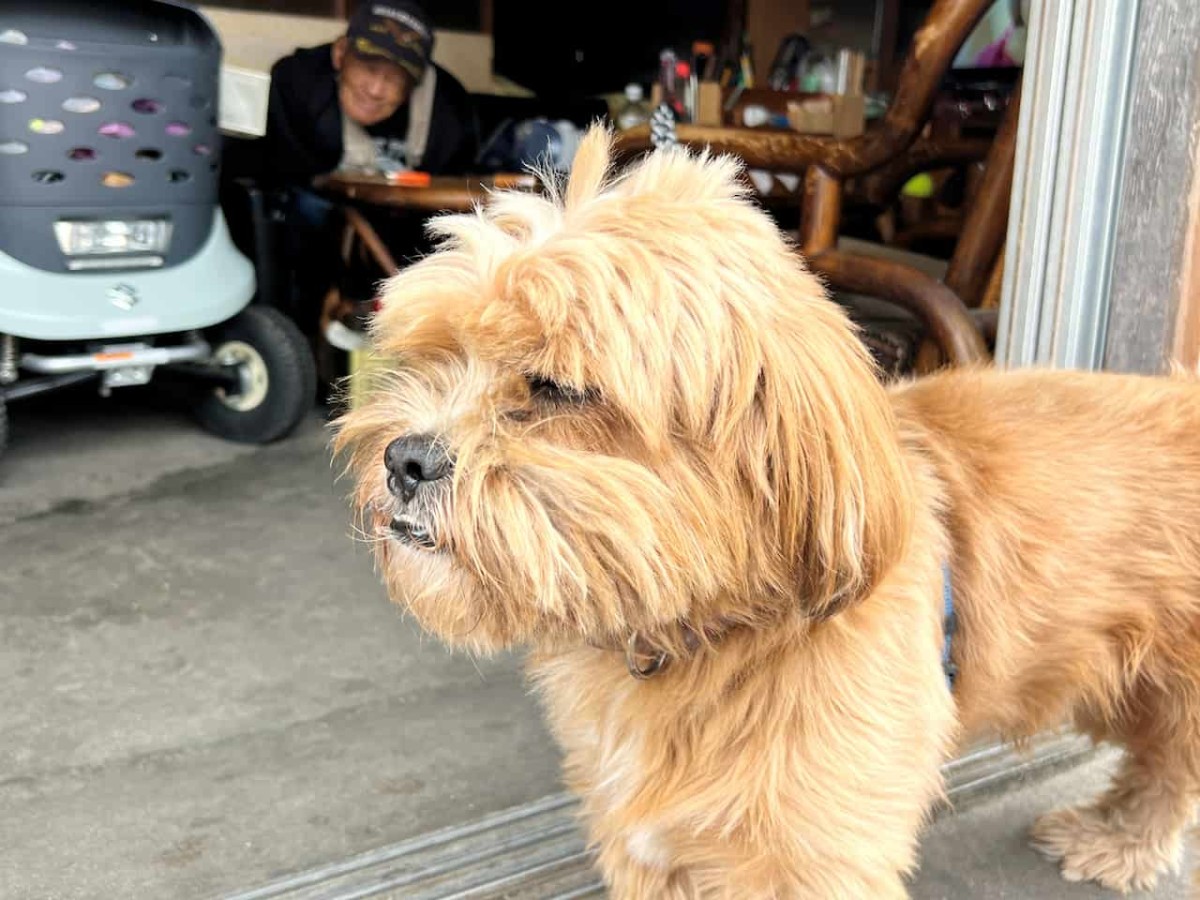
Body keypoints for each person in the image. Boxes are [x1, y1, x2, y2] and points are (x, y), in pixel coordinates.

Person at [258, 1, 480, 377]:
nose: (376, 89)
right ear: (341, 53)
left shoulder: (449, 107)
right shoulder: (296, 81)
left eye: (395, 78)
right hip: (319, 223)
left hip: (405, 227)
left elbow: (455, 183)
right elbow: (287, 170)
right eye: (369, 68)